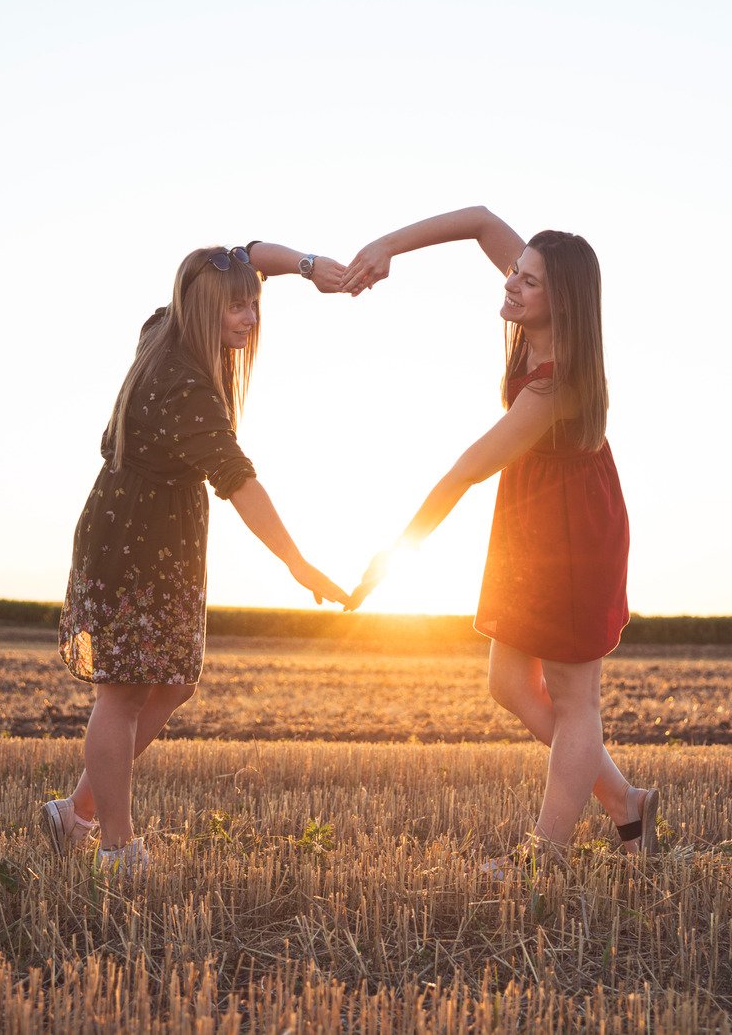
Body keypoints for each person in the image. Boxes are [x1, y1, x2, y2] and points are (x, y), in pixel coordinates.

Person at [339, 207, 659, 859]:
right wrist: (387, 246)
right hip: (532, 526)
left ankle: (543, 858)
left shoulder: (556, 385)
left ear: (561, 300)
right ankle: (627, 804)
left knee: (574, 699)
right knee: (509, 685)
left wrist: (397, 551)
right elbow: (482, 221)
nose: (512, 282)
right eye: (517, 270)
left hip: (574, 539)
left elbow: (466, 471)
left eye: (530, 280)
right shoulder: (539, 303)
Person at [42, 242, 351, 874]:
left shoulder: (164, 325)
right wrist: (297, 562)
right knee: (122, 694)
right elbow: (240, 483)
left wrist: (307, 267)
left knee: (173, 683)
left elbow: (238, 254)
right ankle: (116, 847)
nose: (248, 317)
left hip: (159, 541)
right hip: (132, 547)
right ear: (204, 307)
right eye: (236, 307)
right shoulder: (185, 385)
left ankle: (71, 813)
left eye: (254, 303)